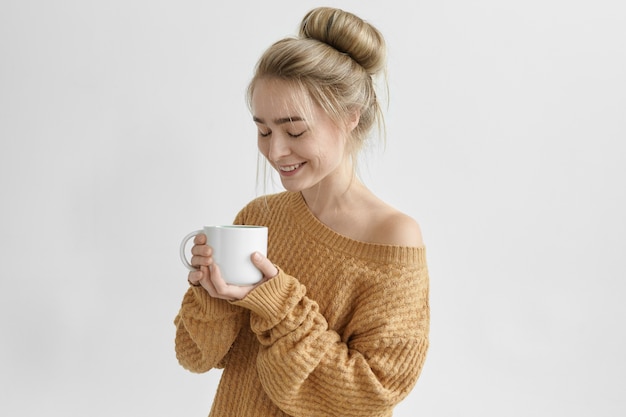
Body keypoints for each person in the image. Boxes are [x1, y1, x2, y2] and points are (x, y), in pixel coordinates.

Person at [174, 7, 429, 417]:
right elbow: (195, 355)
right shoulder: (260, 216)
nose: (275, 151)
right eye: (263, 130)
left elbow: (370, 394)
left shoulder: (393, 237)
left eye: (295, 131)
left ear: (350, 118)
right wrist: (213, 294)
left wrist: (277, 304)